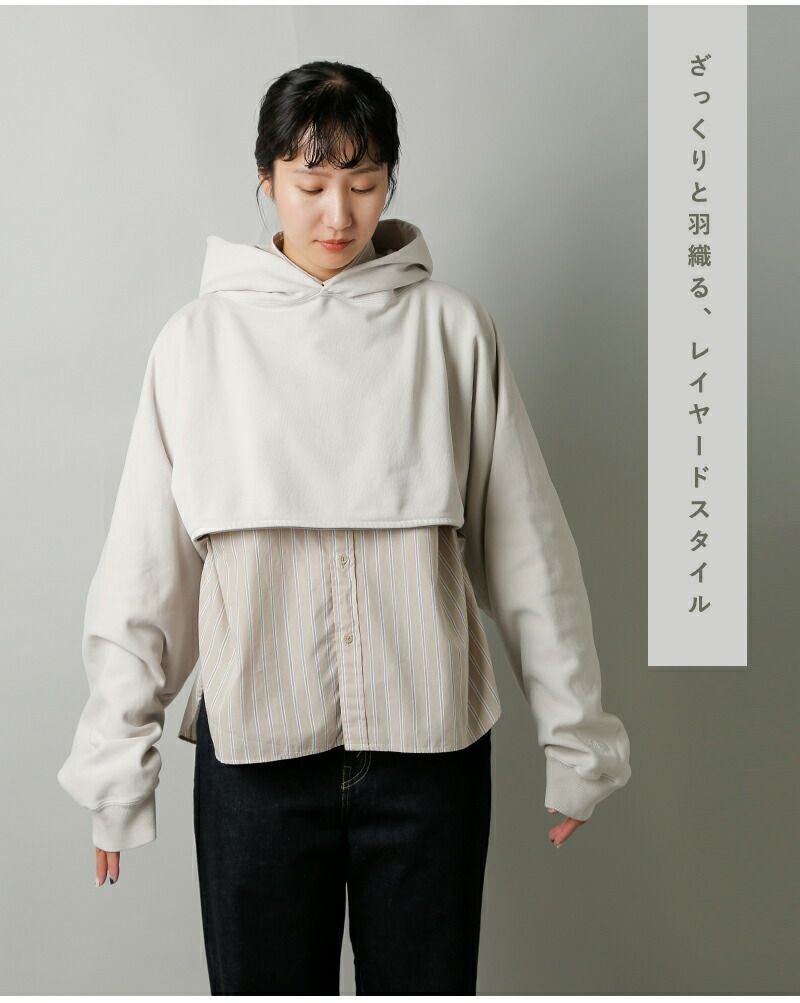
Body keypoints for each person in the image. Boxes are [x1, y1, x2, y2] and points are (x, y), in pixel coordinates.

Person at [57, 60, 632, 994]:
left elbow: (531, 558)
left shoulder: (453, 333)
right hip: (255, 767)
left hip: (431, 762)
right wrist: (115, 768)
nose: (337, 214)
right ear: (266, 179)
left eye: (363, 184)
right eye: (311, 183)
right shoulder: (197, 345)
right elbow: (144, 574)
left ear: (390, 183)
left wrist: (579, 741)